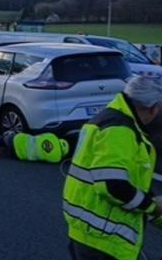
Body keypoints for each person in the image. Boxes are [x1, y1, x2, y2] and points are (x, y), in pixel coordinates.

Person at [63, 76, 162, 260]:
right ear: (154, 108)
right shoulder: (120, 130)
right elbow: (112, 185)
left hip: (88, 231)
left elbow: (126, 177)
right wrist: (151, 207)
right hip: (105, 239)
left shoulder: (108, 118)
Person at [0, 130, 73, 163]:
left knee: (6, 136)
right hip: (19, 156)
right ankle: (0, 150)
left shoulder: (52, 136)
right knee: (8, 150)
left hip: (17, 140)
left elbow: (38, 136)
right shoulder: (56, 158)